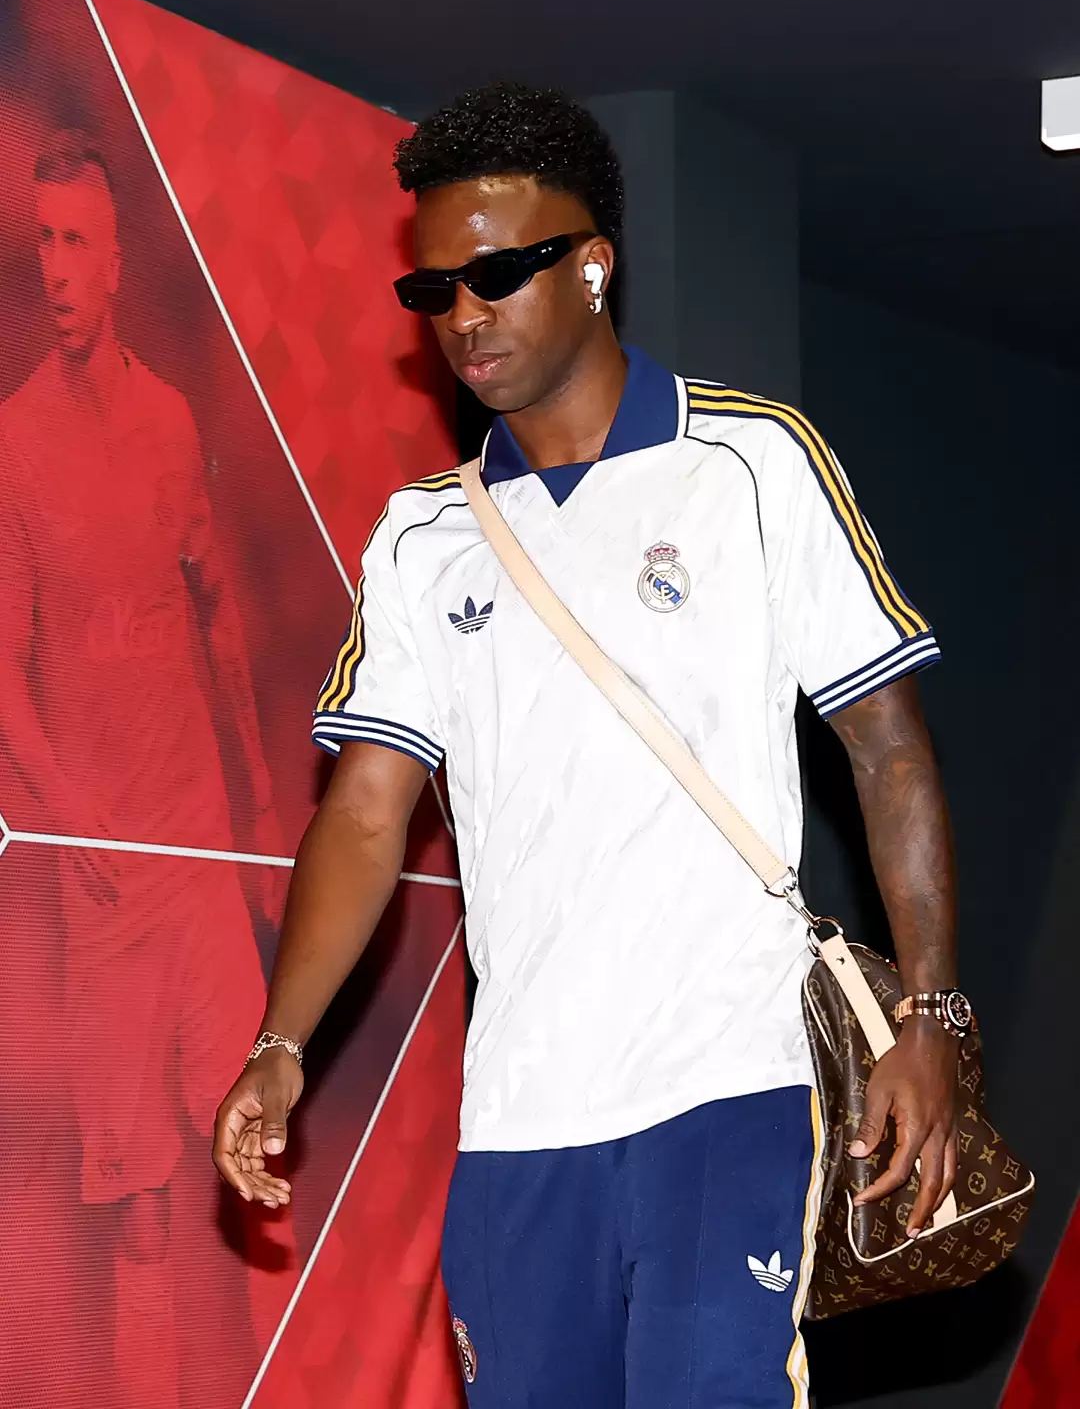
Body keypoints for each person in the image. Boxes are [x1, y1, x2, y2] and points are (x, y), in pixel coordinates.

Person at [214, 84, 965, 1408]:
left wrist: (931, 1016)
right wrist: (281, 1043)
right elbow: (367, 814)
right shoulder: (422, 538)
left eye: (496, 276)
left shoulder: (750, 464)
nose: (463, 315)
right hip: (519, 1120)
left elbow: (887, 750)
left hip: (728, 1088)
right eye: (433, 290)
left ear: (594, 265)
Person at [0, 129, 284, 1408]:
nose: (57, 267)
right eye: (42, 242)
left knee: (250, 1168)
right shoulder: (13, 443)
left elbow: (216, 617)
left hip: (197, 857)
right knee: (144, 1213)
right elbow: (3, 675)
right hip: (103, 882)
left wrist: (258, 812)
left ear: (116, 263)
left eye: (77, 242)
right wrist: (71, 821)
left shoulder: (170, 419)